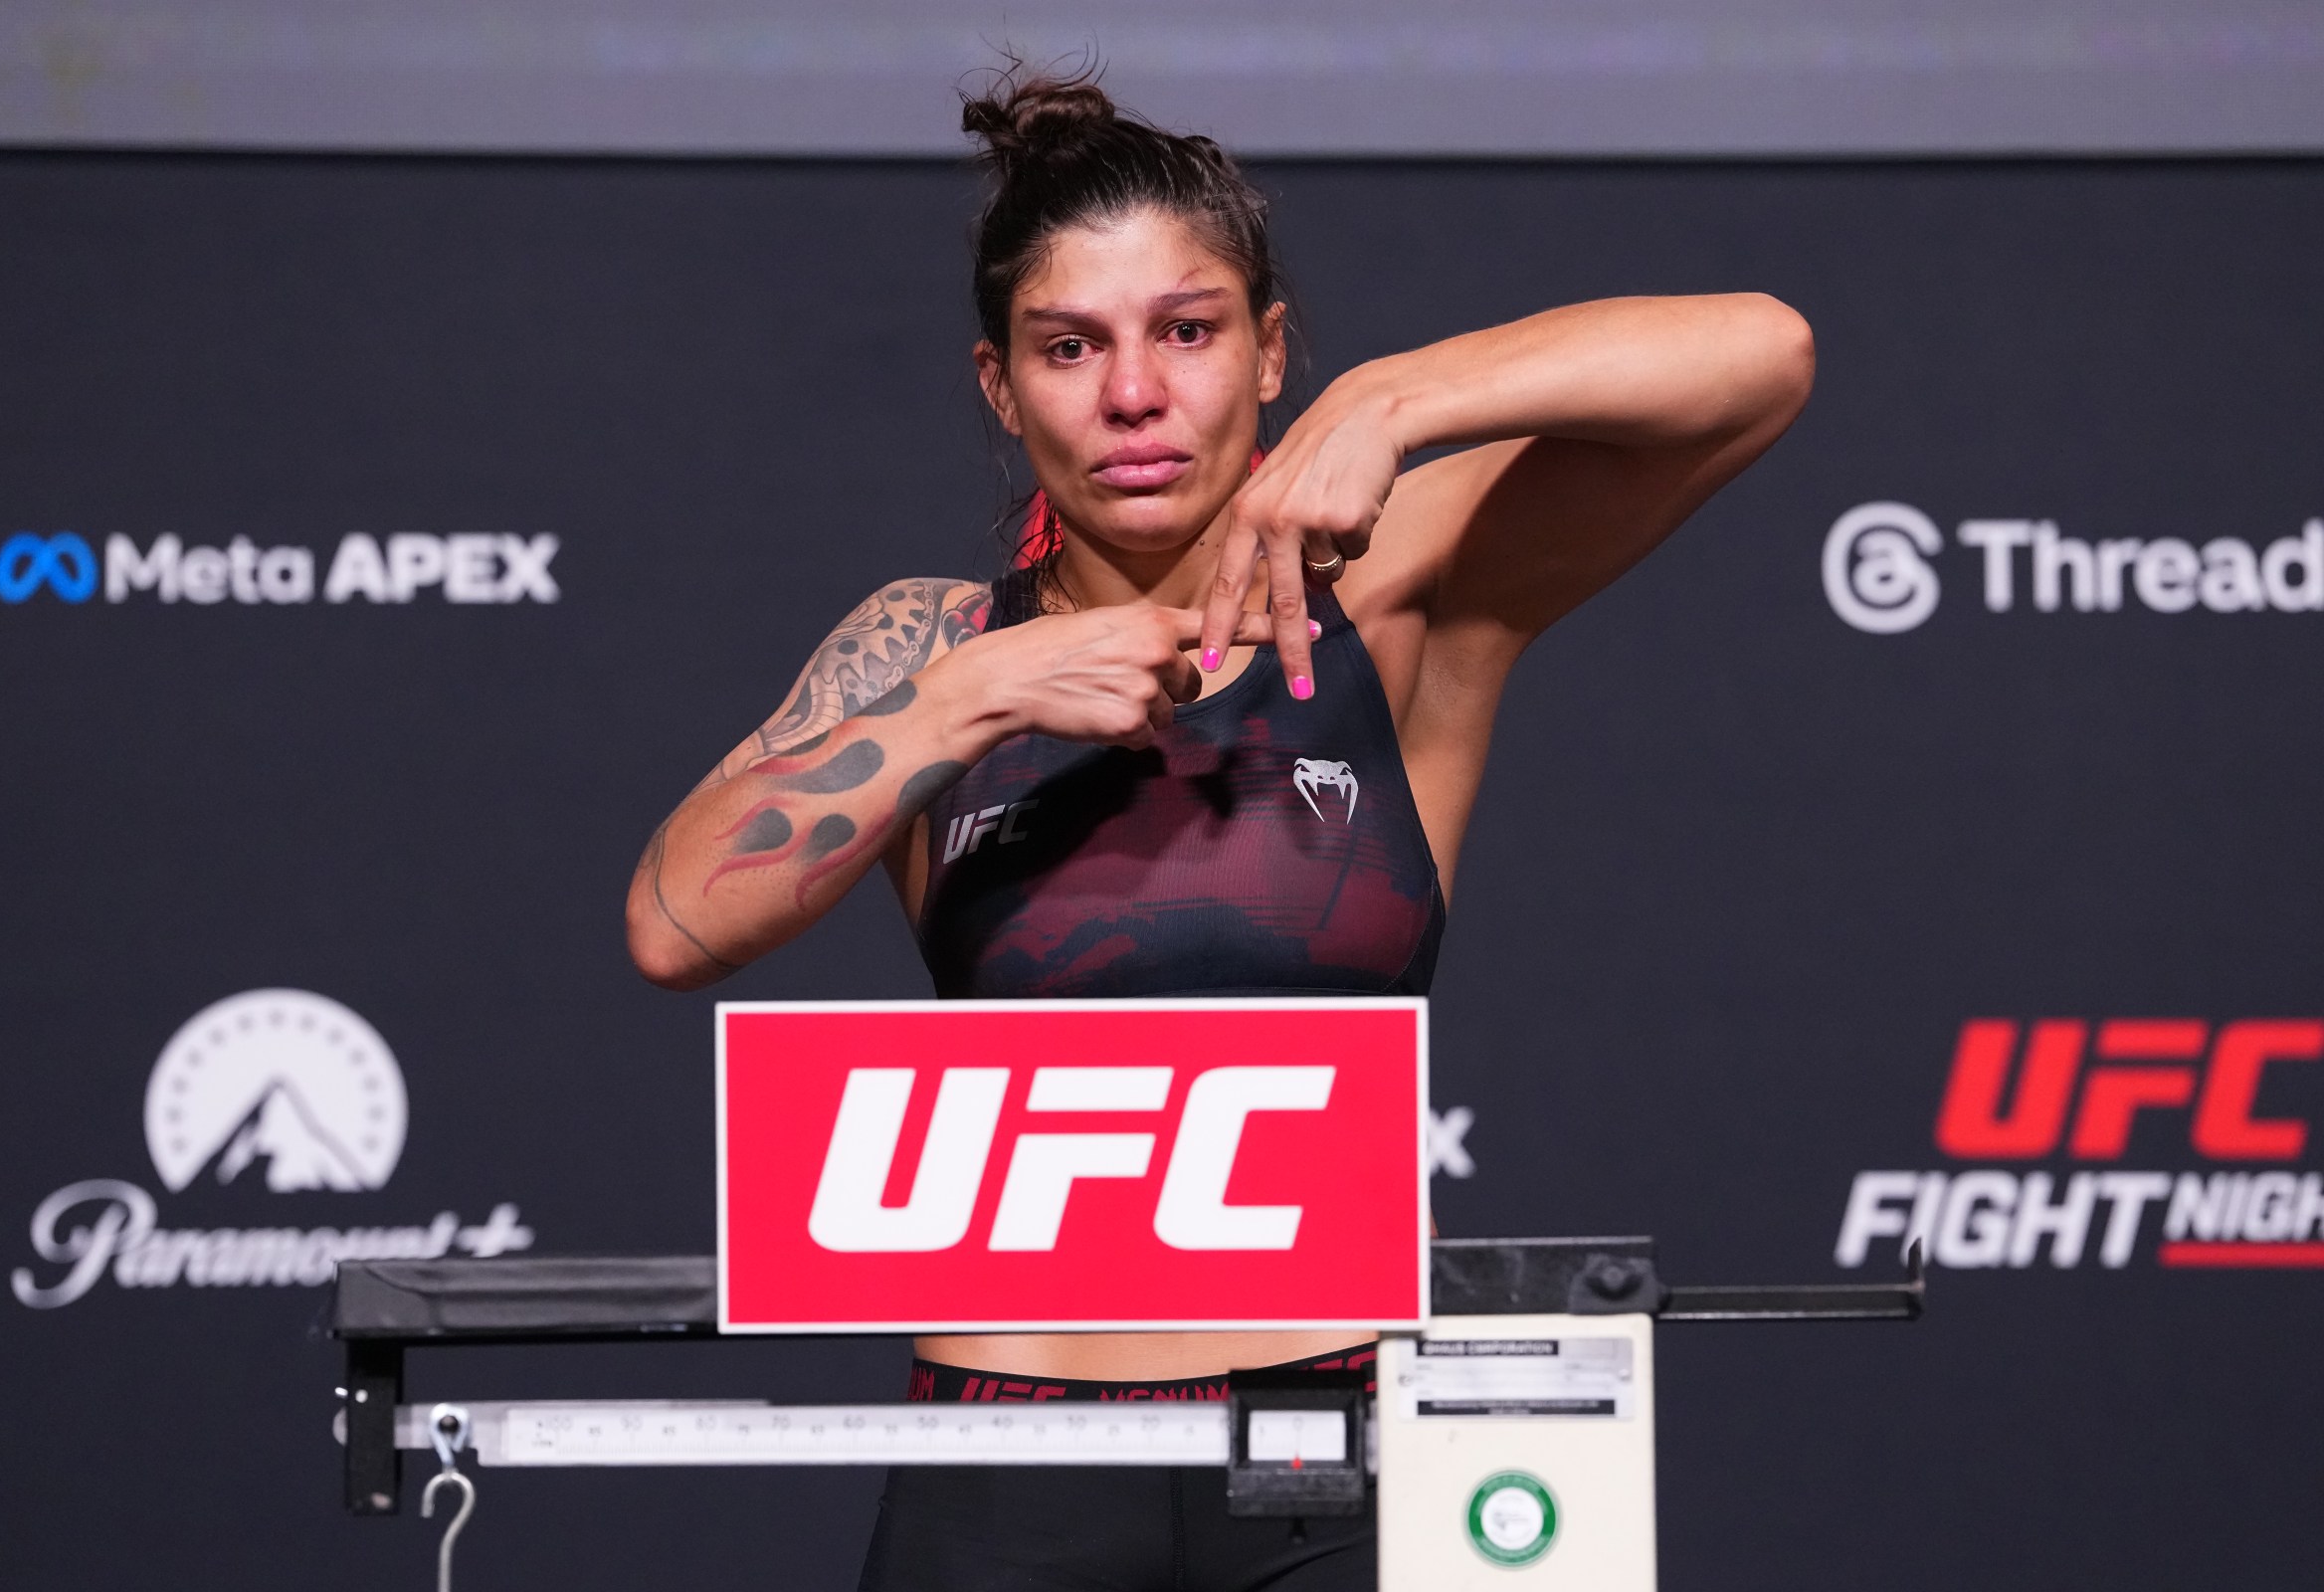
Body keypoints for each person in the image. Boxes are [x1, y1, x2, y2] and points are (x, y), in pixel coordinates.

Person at [626, 66, 1812, 1592]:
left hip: (1344, 1441)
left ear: (1267, 353)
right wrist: (961, 704)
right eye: (1071, 348)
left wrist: (1391, 400)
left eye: (1187, 331)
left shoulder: (1387, 601)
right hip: (1009, 1460)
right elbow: (674, 923)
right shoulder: (933, 645)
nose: (1133, 394)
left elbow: (1761, 355)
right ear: (1001, 386)